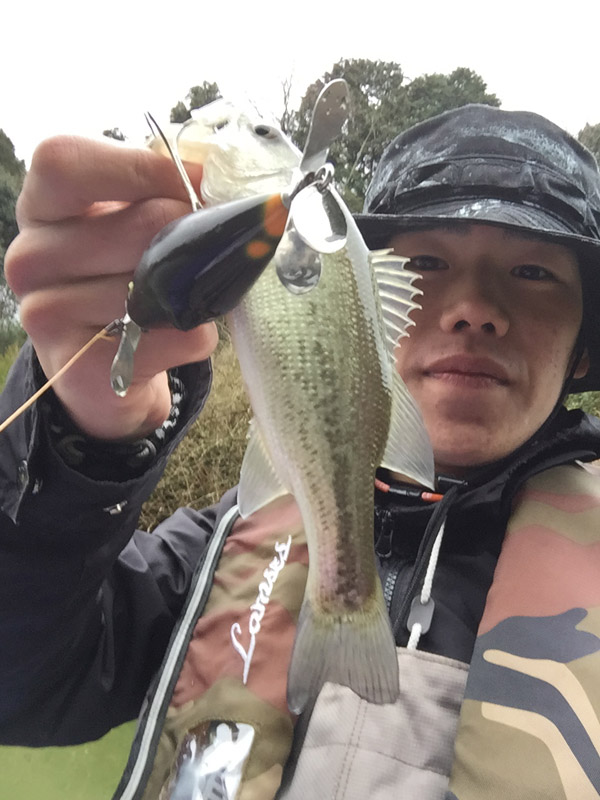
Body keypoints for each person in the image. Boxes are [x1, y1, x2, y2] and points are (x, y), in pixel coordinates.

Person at [2, 104, 600, 799]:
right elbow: (22, 682)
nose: (474, 308)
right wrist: (79, 444)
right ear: (367, 296)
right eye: (427, 262)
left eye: (532, 272)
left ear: (584, 346)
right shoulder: (220, 546)